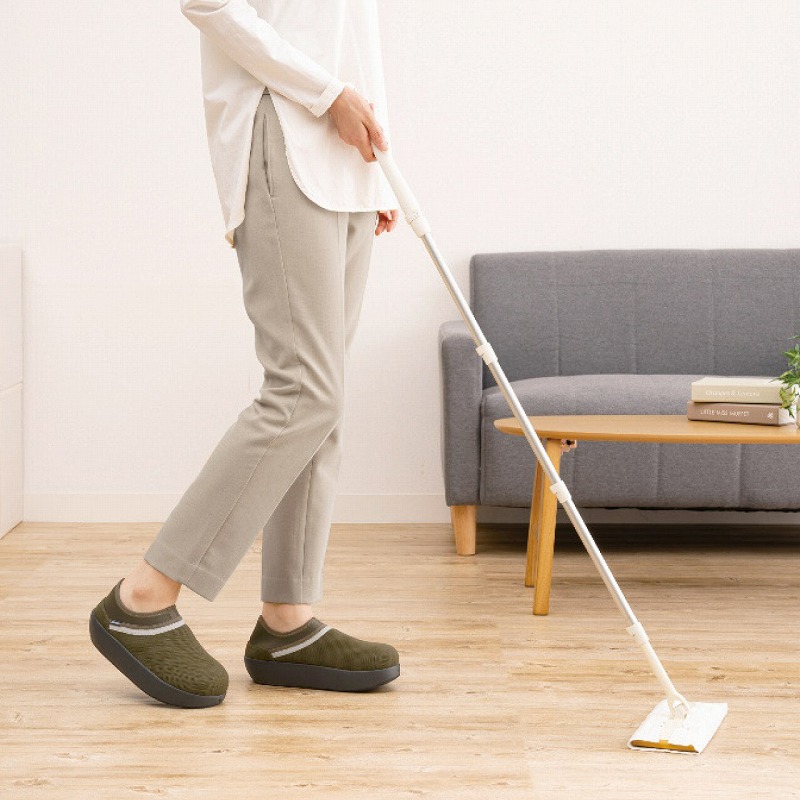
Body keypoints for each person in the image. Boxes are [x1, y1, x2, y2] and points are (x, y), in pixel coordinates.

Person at [89, 0, 401, 708]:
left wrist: (376, 175)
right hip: (285, 135)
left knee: (325, 405)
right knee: (304, 392)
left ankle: (287, 621)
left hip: (347, 164)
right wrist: (328, 95)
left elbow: (348, 32)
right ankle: (142, 598)